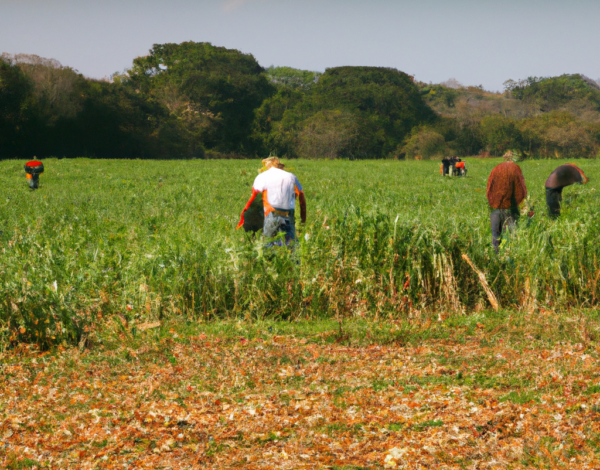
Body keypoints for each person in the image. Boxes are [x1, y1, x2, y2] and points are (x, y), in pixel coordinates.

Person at [237, 157, 306, 245]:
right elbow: (302, 200)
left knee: (268, 247)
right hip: (288, 215)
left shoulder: (261, 177)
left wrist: (251, 229)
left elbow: (254, 202)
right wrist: (302, 223)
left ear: (267, 166)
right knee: (291, 247)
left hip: (272, 215)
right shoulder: (291, 176)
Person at [486, 161, 527, 253]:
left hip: (495, 209)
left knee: (495, 235)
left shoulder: (495, 170)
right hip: (509, 210)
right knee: (511, 236)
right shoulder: (515, 170)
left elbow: (489, 189)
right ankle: (509, 257)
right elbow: (520, 192)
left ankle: (496, 257)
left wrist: (493, 204)